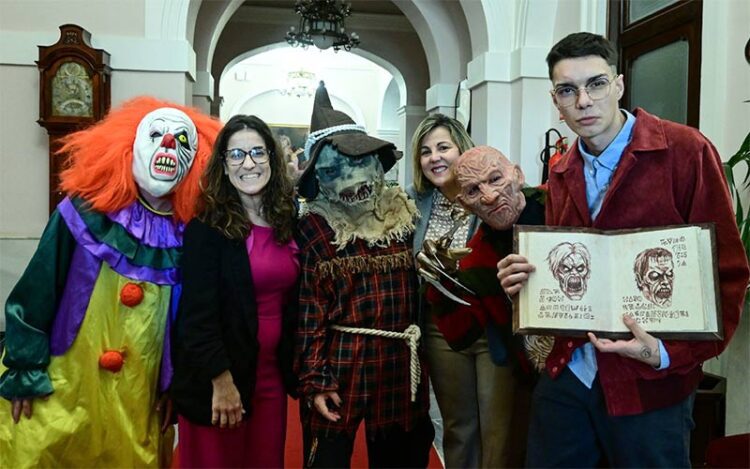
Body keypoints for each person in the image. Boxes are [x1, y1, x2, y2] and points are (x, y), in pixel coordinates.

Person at [497, 32, 750, 467]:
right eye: (567, 90)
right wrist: (524, 282)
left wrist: (667, 354)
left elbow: (728, 271)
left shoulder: (685, 151)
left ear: (618, 85)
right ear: (555, 100)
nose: (583, 100)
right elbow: (568, 270)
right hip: (573, 369)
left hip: (651, 379)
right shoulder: (560, 171)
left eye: (596, 84)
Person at [0, 97, 221, 467]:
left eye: (182, 140)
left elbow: (189, 320)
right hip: (66, 381)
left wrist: (174, 386)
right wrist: (25, 368)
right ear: (128, 146)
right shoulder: (82, 212)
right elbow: (36, 291)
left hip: (138, 396)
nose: (168, 144)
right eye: (156, 134)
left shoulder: (192, 235)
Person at [295, 82, 434, 468]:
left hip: (398, 362)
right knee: (327, 458)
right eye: (336, 168)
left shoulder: (404, 217)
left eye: (360, 161)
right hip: (340, 364)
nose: (351, 176)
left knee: (401, 457)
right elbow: (308, 315)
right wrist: (315, 380)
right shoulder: (315, 229)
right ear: (319, 178)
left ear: (377, 163)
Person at [170, 115, 299, 468]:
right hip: (220, 380)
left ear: (272, 160)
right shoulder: (206, 228)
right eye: (237, 155)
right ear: (224, 166)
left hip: (270, 378)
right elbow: (196, 318)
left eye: (258, 152)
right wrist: (221, 381)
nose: (249, 163)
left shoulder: (287, 221)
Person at [417, 145, 550, 467]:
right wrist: (439, 283)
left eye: (496, 179)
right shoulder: (476, 255)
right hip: (531, 373)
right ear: (464, 202)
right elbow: (461, 335)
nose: (489, 196)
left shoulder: (558, 204)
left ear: (517, 174)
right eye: (475, 190)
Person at [408, 114, 517, 468]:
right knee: (458, 427)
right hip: (441, 326)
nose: (434, 158)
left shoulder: (488, 193)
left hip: (492, 324)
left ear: (462, 149)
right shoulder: (413, 203)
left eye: (443, 147)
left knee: (497, 429)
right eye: (425, 152)